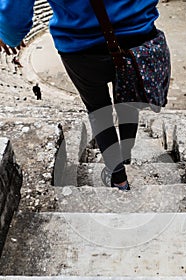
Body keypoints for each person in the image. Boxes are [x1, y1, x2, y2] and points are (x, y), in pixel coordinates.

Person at [0, 0, 160, 191]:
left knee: (99, 111)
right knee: (127, 101)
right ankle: (125, 153)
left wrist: (6, 35)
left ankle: (119, 179)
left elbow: (12, 23)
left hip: (81, 46)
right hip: (138, 35)